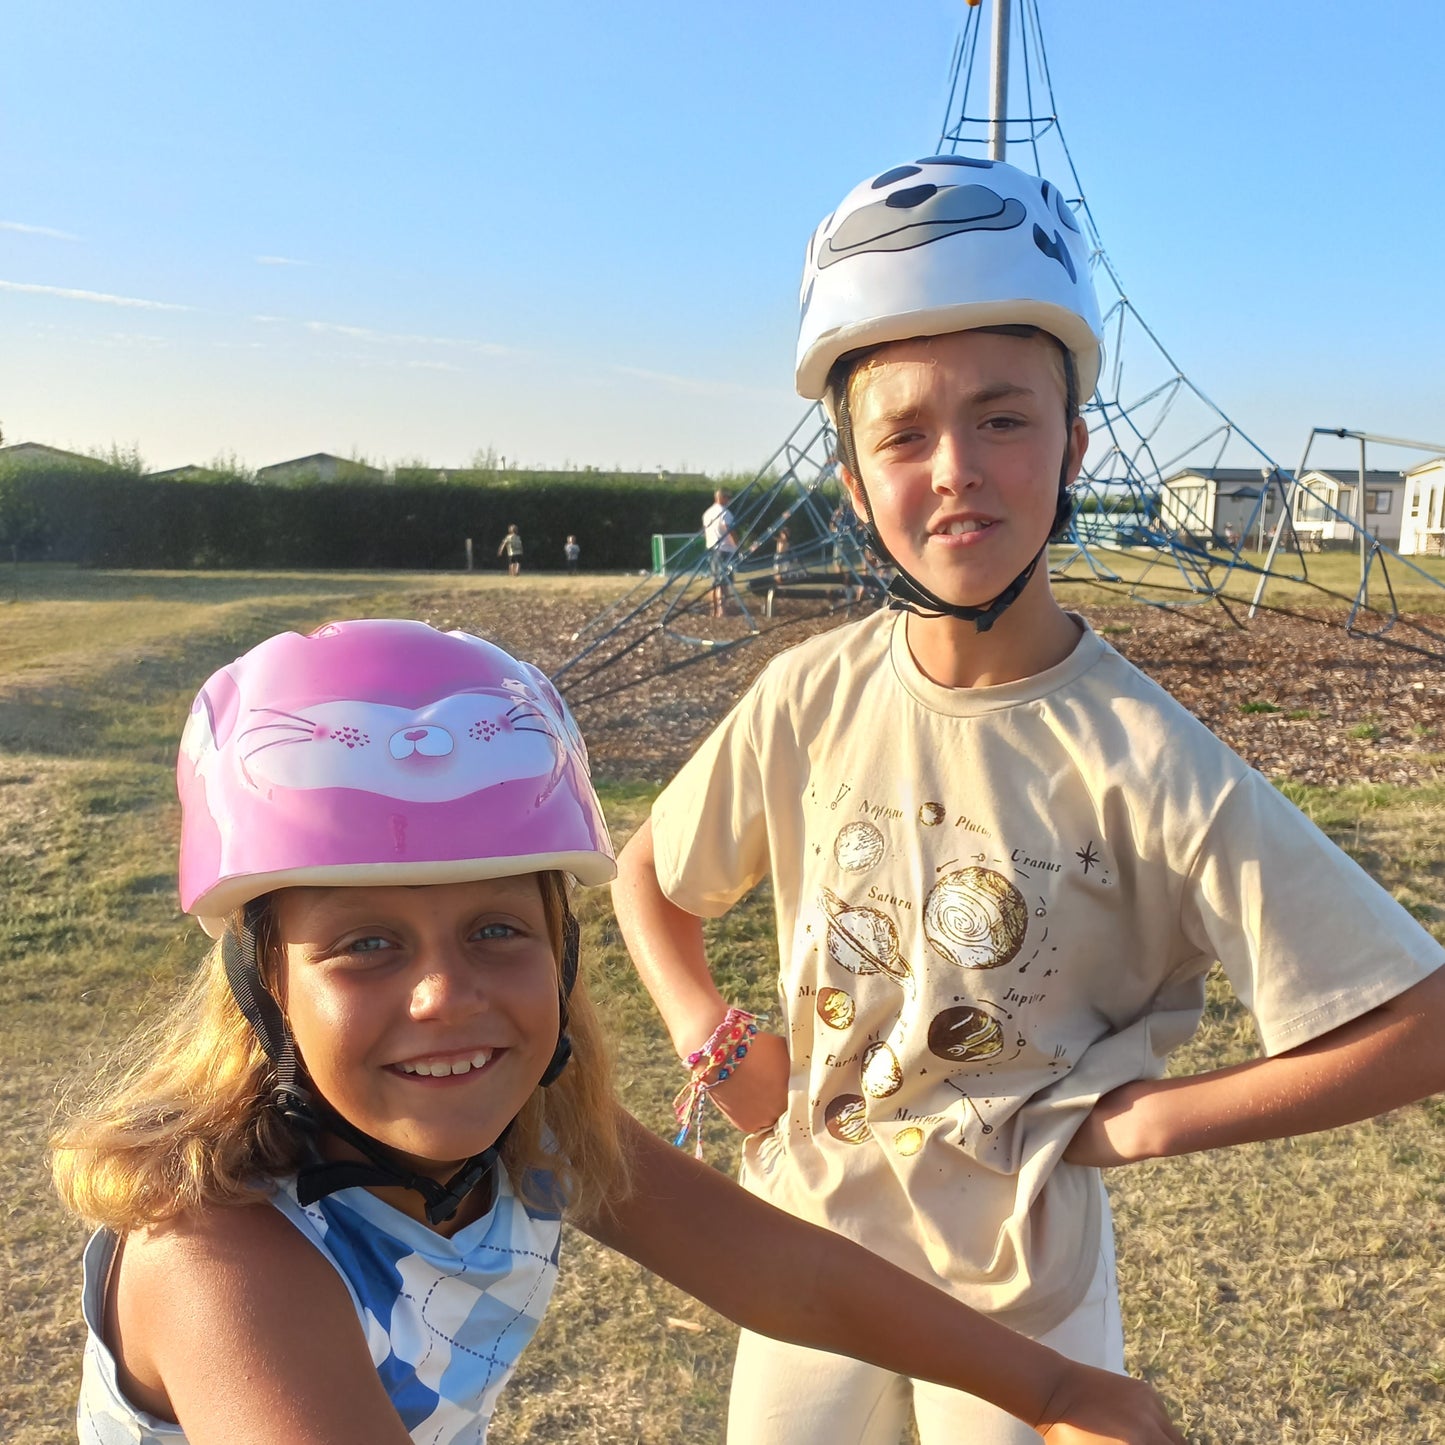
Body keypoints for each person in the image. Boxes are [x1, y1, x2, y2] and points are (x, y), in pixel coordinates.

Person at [611, 156, 1445, 1445]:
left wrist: (1150, 1119)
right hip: (801, 1249)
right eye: (901, 432)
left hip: (1016, 1295)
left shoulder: (1145, 755)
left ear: (1073, 445)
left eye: (1003, 417)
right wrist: (711, 1039)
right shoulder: (804, 694)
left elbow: (1418, 1020)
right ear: (850, 479)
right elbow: (647, 879)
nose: (955, 468)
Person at [52, 618, 1186, 1445]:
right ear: (264, 982)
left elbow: (786, 1272)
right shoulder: (221, 1257)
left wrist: (1054, 1387)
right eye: (366, 944)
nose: (445, 991)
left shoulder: (533, 1134)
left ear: (563, 949)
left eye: (497, 927)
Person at [702, 488, 738, 616]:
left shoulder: (707, 513)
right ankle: (722, 611)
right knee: (723, 582)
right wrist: (737, 545)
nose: (729, 500)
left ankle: (714, 608)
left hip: (712, 548)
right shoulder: (725, 513)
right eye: (727, 497)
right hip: (725, 549)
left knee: (715, 579)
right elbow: (729, 530)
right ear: (721, 497)